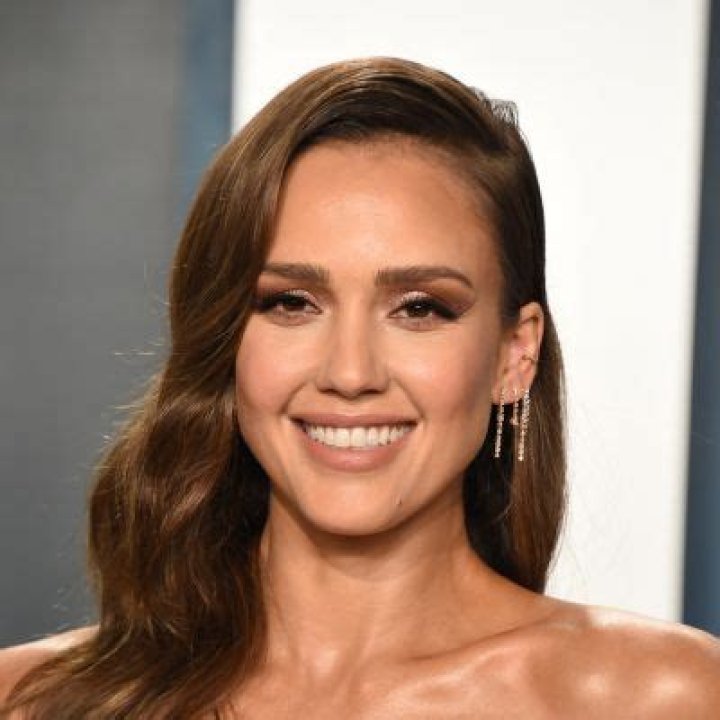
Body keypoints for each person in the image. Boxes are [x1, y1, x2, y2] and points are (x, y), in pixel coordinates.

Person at [0, 56, 717, 719]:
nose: (350, 374)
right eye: (292, 303)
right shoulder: (31, 701)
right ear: (226, 339)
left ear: (514, 355)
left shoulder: (666, 698)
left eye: (420, 308)